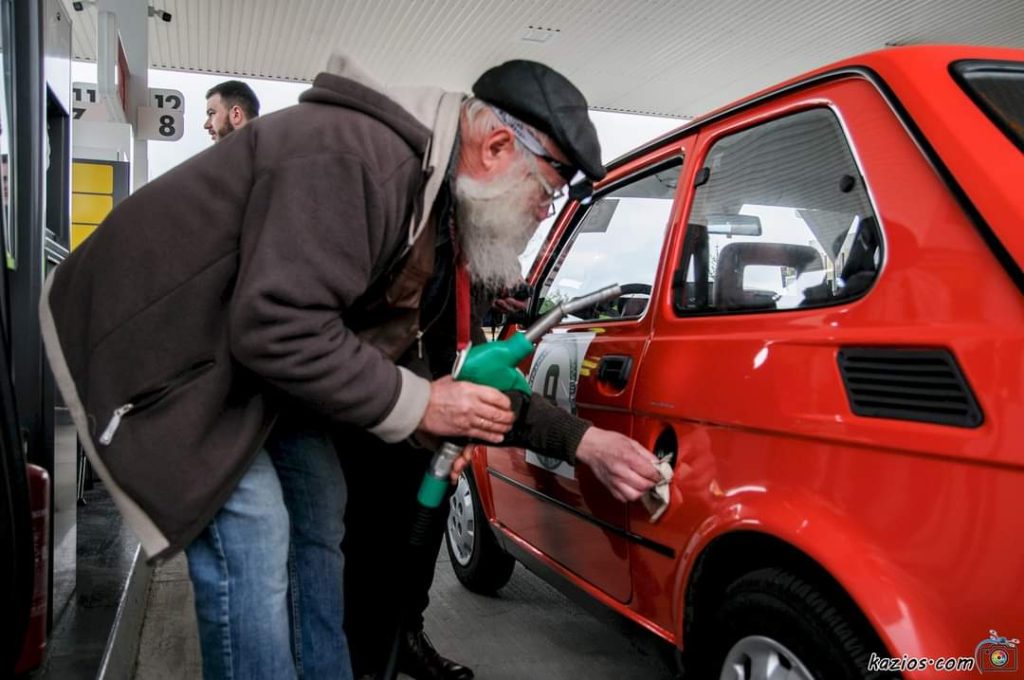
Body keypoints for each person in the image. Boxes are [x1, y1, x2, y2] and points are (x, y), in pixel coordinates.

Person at [40, 55, 662, 680]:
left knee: (321, 515)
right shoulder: (361, 161)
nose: (542, 213)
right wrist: (424, 404)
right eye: (546, 193)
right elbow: (276, 323)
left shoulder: (434, 207)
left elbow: (414, 363)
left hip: (256, 369)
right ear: (498, 147)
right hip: (173, 351)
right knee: (254, 541)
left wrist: (552, 435)